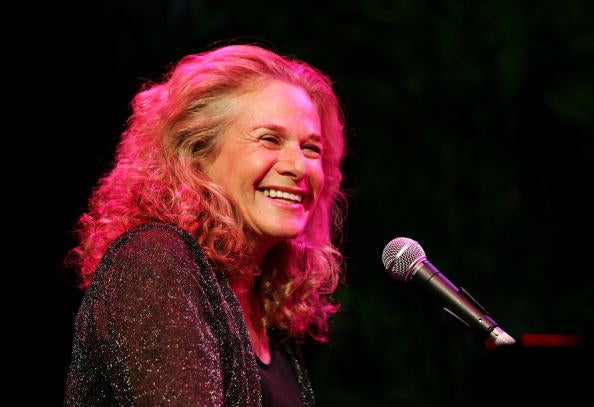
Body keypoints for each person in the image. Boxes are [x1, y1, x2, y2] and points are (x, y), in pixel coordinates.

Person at [63, 41, 348, 406]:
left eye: (311, 148)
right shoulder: (155, 263)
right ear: (197, 154)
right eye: (270, 140)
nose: (298, 166)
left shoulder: (264, 315)